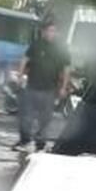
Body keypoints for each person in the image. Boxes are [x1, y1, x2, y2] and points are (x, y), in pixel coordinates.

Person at [14, 17, 71, 152]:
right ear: (44, 31)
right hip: (32, 87)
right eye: (49, 31)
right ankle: (24, 141)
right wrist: (20, 76)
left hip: (49, 90)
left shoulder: (61, 49)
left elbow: (67, 68)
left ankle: (40, 144)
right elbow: (24, 59)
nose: (51, 33)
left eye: (54, 31)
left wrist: (63, 87)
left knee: (45, 120)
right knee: (26, 117)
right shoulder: (36, 44)